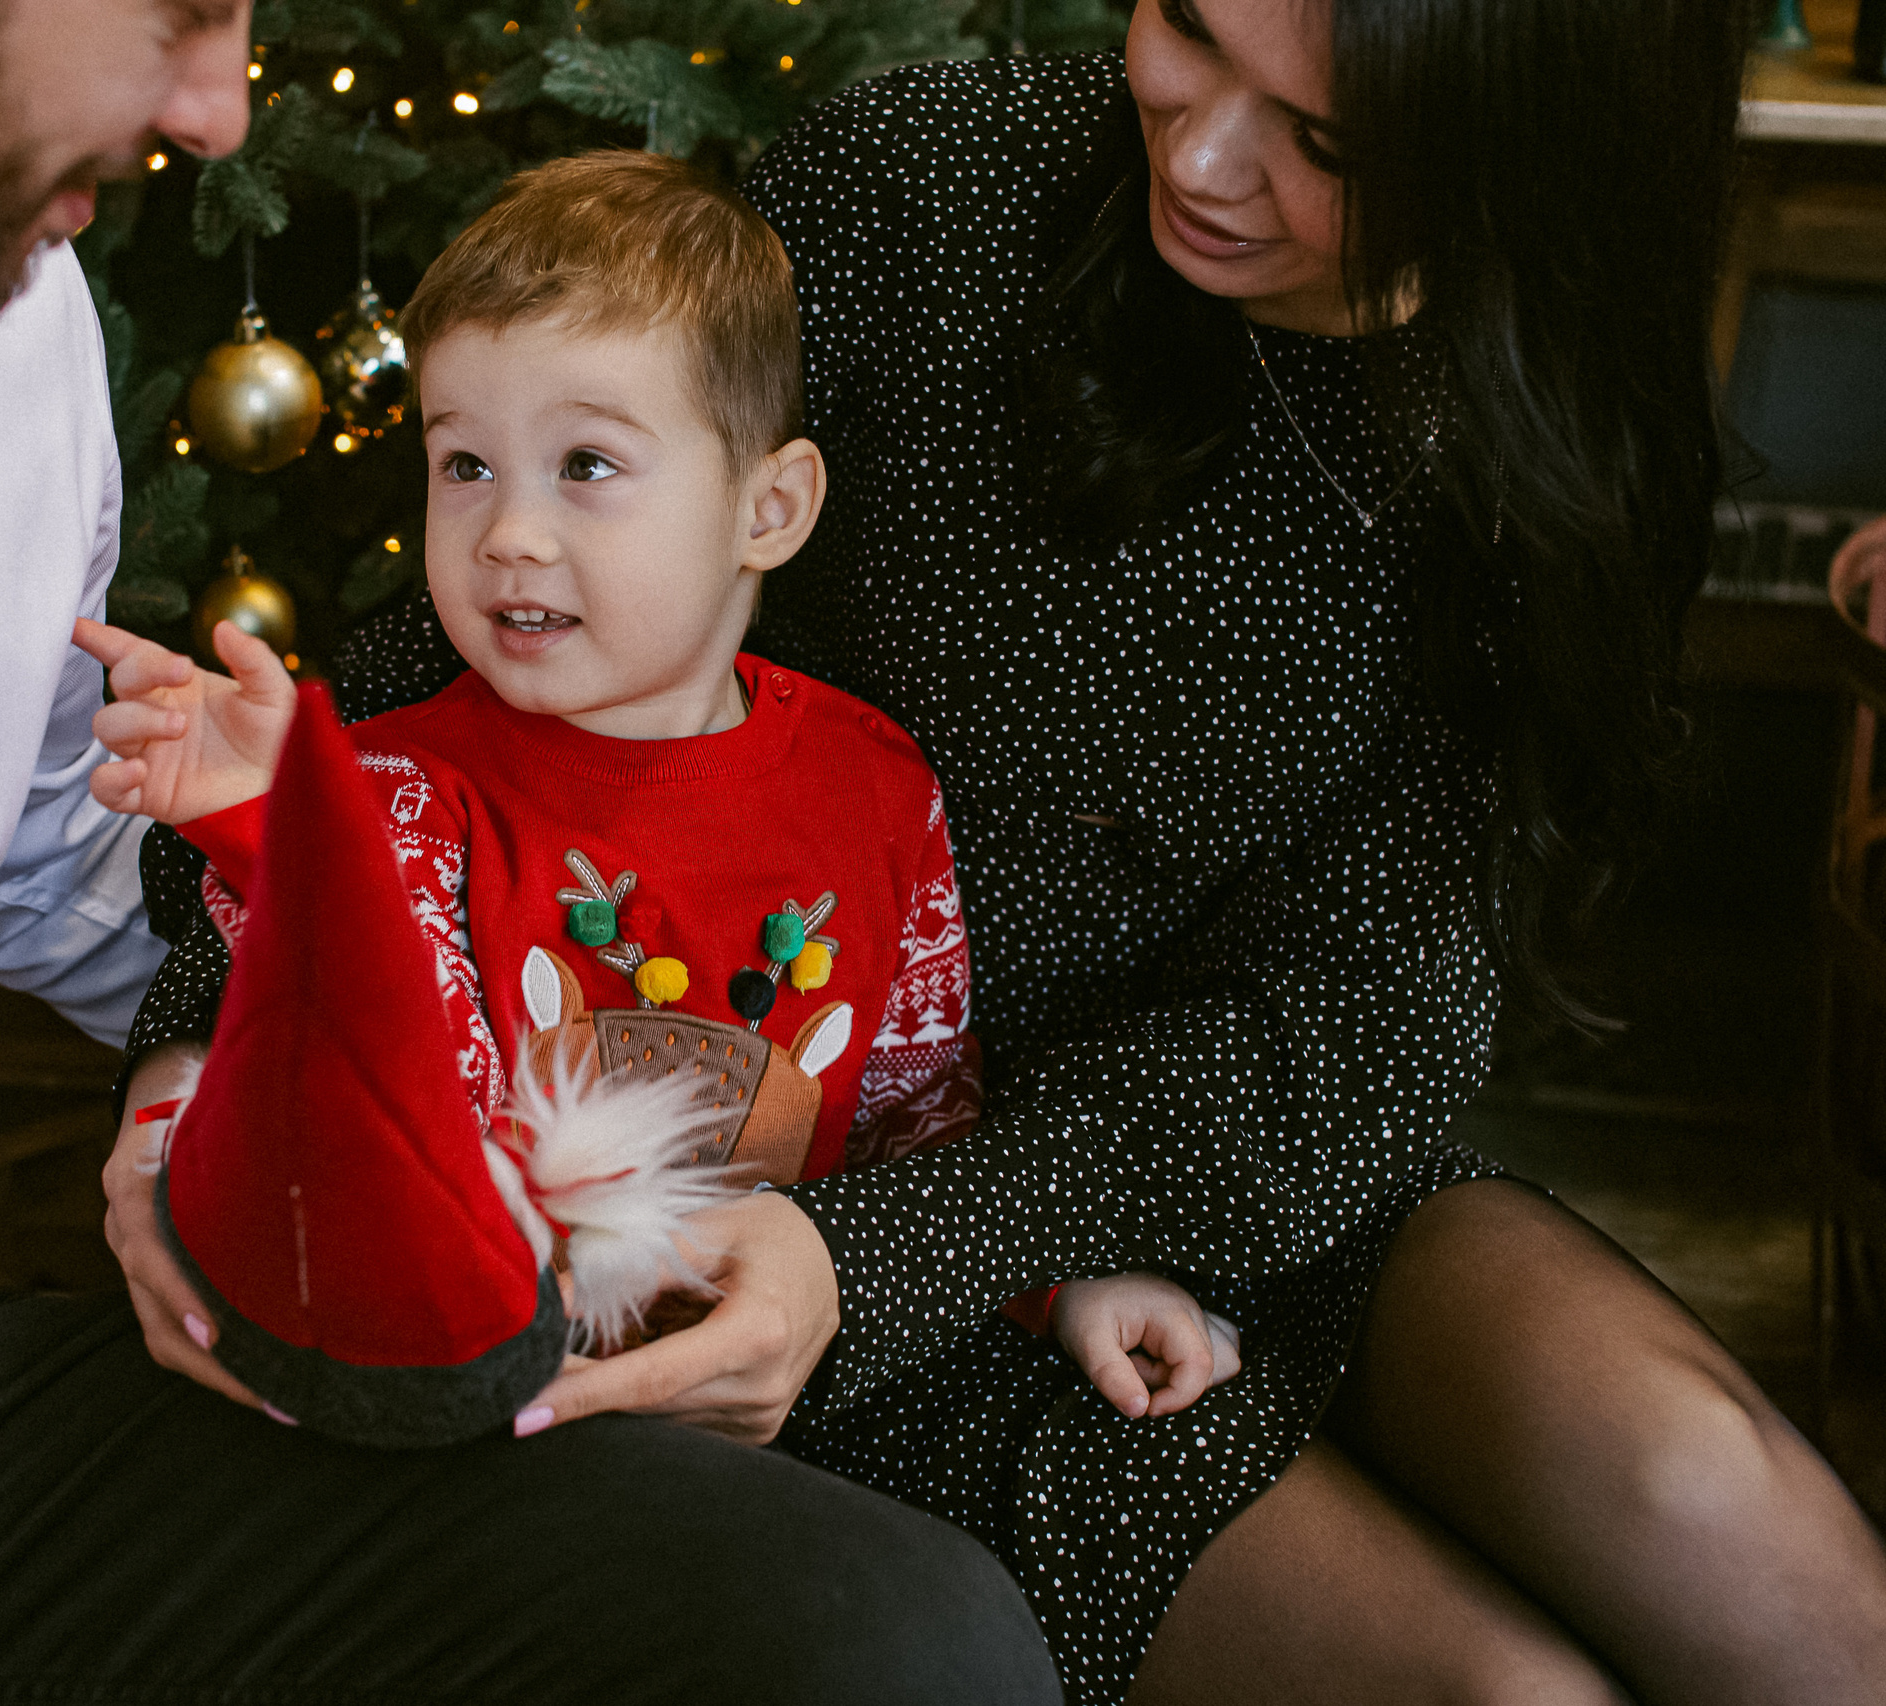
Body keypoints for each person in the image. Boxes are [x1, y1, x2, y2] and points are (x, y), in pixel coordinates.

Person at [127, 2, 1886, 1703]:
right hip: (784, 1233)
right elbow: (392, 725)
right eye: (1189, 28)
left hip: (1196, 1169)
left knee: (1722, 1496)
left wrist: (981, 1225)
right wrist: (214, 1076)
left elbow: (1379, 1016)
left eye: (1326, 137)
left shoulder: (1535, 430)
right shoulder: (930, 191)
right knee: (1498, 1691)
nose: (1198, 153)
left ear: (1528, 161)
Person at [0, 2, 1061, 1702]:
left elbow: (54, 857)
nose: (219, 110)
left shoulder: (2, 310)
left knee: (882, 1637)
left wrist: (205, 1060)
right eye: (178, 6)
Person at [82, 150, 1245, 1430]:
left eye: (585, 464)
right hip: (497, 1422)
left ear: (769, 506)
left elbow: (921, 1109)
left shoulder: (877, 782)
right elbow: (397, 1098)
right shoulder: (397, 789)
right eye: (465, 464)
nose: (509, 530)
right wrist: (280, 832)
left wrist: (1049, 1280)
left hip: (785, 1403)